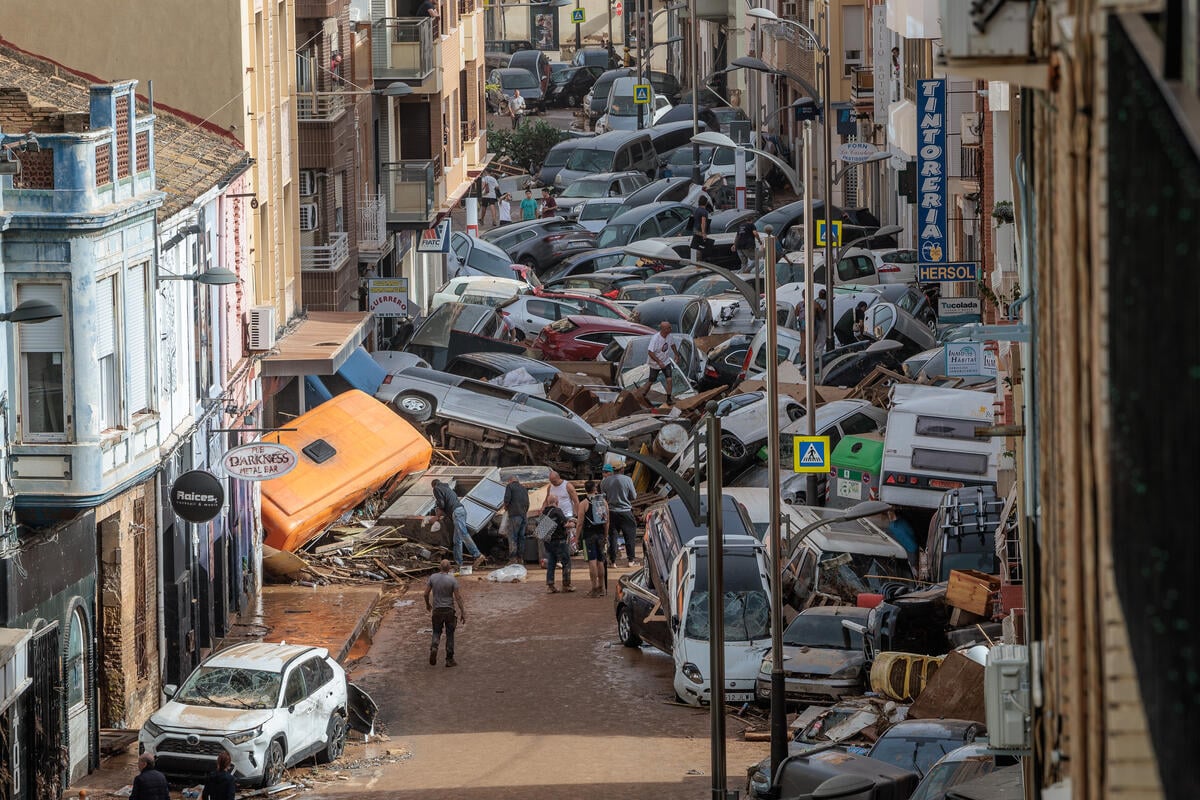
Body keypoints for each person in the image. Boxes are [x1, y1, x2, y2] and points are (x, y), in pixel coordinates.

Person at [431, 478, 485, 572]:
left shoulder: (436, 488)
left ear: (434, 485)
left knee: (463, 534)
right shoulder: (448, 489)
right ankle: (458, 564)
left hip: (456, 512)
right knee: (457, 540)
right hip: (461, 510)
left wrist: (437, 516)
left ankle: (478, 555)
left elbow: (442, 504)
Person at [424, 559, 467, 666]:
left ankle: (434, 646)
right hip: (449, 611)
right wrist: (463, 612)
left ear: (439, 567)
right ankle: (449, 659)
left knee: (436, 631)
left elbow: (425, 594)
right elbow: (458, 598)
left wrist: (428, 604)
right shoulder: (452, 580)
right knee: (450, 634)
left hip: (437, 610)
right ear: (449, 569)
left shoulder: (433, 577)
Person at [600, 462, 638, 566]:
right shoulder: (628, 480)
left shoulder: (604, 482)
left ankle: (613, 561)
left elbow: (603, 499)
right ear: (622, 469)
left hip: (611, 512)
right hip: (625, 511)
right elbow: (633, 496)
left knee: (612, 536)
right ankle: (631, 560)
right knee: (629, 536)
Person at [579, 480, 608, 597]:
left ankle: (594, 588)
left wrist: (576, 538)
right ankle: (601, 587)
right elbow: (607, 521)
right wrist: (606, 535)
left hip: (589, 535)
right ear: (595, 489)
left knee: (592, 561)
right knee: (601, 561)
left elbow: (580, 523)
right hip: (600, 534)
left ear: (585, 490)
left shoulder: (584, 504)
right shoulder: (603, 502)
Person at [541, 505, 576, 593]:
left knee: (551, 563)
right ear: (556, 502)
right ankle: (566, 585)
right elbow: (565, 524)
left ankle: (550, 585)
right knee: (566, 562)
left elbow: (542, 530)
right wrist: (573, 523)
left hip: (548, 542)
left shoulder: (544, 512)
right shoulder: (557, 510)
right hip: (559, 541)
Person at [643, 320, 679, 401]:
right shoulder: (655, 339)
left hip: (666, 361)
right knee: (651, 380)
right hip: (655, 363)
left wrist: (676, 354)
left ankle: (669, 398)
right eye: (669, 328)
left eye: (670, 327)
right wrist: (659, 362)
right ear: (663, 329)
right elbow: (650, 352)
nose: (671, 329)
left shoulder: (669, 336)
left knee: (669, 379)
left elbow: (672, 345)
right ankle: (643, 394)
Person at [502, 474, 530, 563]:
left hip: (514, 515)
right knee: (521, 537)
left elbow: (507, 499)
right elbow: (527, 503)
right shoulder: (524, 488)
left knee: (512, 536)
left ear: (510, 480)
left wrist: (506, 507)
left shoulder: (510, 486)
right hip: (524, 516)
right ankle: (520, 558)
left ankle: (513, 558)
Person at [690, 195, 712, 260]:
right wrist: (703, 233)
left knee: (696, 248)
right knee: (702, 249)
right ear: (706, 203)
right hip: (700, 232)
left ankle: (696, 261)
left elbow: (692, 220)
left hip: (695, 231)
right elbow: (703, 222)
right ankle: (699, 262)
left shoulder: (696, 210)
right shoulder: (704, 212)